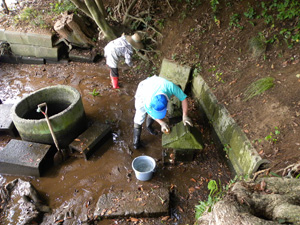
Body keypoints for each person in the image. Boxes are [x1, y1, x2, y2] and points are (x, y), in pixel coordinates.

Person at [133, 75, 193, 149]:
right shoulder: (147, 101)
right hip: (143, 88)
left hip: (156, 85)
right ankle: (136, 142)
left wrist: (185, 116)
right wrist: (161, 123)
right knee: (140, 116)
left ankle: (149, 127)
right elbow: (150, 112)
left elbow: (183, 98)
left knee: (152, 115)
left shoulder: (171, 87)